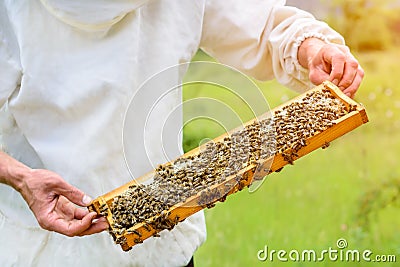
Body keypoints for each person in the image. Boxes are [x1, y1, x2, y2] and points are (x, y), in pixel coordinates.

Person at [0, 0, 363, 266]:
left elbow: (259, 24)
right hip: (45, 253)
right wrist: (20, 177)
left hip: (161, 244)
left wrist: (310, 46)